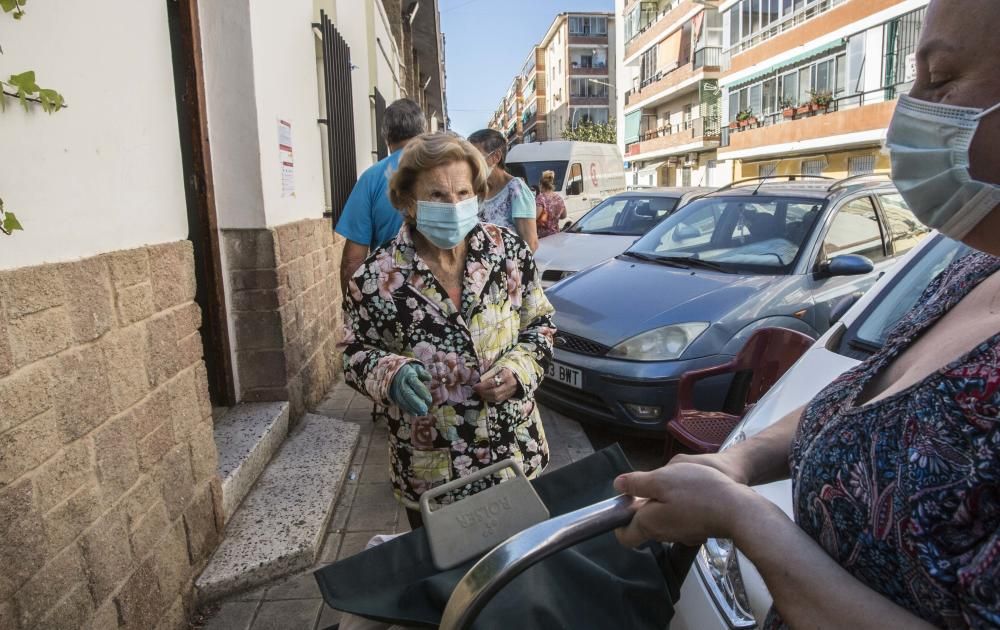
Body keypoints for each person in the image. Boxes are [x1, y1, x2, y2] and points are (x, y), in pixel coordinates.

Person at [614, 1, 1000, 628]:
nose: (911, 109)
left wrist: (741, 517)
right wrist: (739, 460)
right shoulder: (969, 265)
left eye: (941, 77)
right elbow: (871, 402)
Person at [338, 132, 555, 529]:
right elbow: (353, 352)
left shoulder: (508, 253)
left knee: (517, 575)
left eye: (463, 193)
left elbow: (540, 325)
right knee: (449, 587)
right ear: (407, 202)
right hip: (430, 469)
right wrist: (390, 373)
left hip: (513, 456)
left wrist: (519, 370)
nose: (454, 205)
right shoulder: (375, 277)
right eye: (437, 196)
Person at [336, 99, 426, 295]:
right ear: (423, 130)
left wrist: (353, 309)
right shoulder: (441, 170)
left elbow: (353, 260)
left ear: (386, 135)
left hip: (390, 296)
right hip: (441, 292)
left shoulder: (371, 178)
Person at [467, 129, 539, 251]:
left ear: (496, 157)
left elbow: (530, 243)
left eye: (475, 158)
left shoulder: (516, 190)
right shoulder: (476, 188)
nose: (469, 164)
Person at [535, 170, 567, 238]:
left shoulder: (541, 198)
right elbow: (564, 216)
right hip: (556, 234)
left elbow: (535, 217)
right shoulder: (559, 198)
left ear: (541, 185)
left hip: (544, 236)